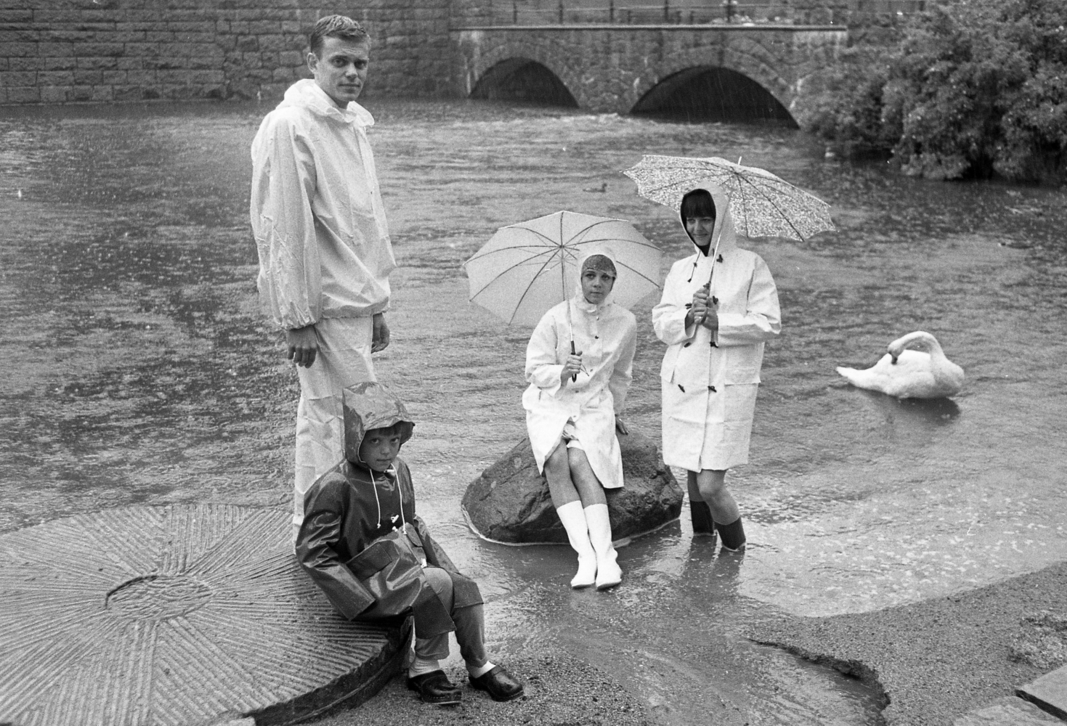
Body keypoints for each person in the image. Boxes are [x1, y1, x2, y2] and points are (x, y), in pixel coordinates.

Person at [250, 15, 396, 540]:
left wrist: (377, 304)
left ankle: (325, 527)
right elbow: (283, 225)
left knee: (343, 419)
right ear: (313, 62)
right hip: (325, 306)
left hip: (354, 301)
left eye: (360, 63)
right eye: (340, 61)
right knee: (332, 420)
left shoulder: (351, 124)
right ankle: (325, 531)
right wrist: (297, 317)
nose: (352, 72)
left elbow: (367, 224)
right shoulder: (290, 126)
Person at [297, 381, 525, 706]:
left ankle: (478, 665)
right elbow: (312, 551)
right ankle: (424, 668)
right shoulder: (335, 485)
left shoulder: (399, 469)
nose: (386, 450)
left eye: (393, 440)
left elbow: (411, 524)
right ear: (355, 439)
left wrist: (443, 565)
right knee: (436, 582)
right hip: (363, 582)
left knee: (464, 586)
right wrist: (354, 597)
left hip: (401, 569)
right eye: (374, 440)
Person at [651, 184, 781, 551]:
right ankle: (701, 548)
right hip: (684, 382)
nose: (697, 227)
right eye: (690, 220)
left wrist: (719, 321)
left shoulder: (751, 265)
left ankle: (736, 553)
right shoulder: (681, 269)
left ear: (721, 219)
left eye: (706, 219)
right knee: (692, 473)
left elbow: (769, 323)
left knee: (710, 484)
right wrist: (687, 316)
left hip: (727, 386)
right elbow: (660, 323)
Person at [523, 250, 637, 590]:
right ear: (580, 278)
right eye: (590, 275)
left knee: (582, 461)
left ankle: (606, 556)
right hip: (551, 401)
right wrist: (562, 370)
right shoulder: (556, 317)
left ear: (614, 282)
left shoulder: (626, 322)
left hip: (593, 404)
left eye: (605, 277)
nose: (597, 283)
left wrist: (615, 412)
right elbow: (533, 370)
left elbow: (622, 374)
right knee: (556, 459)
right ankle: (585, 556)